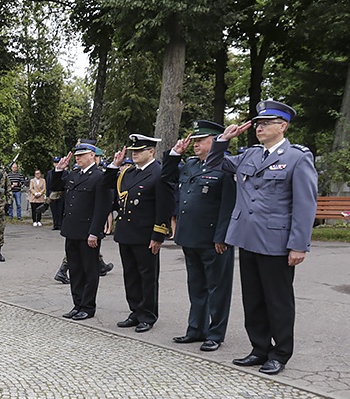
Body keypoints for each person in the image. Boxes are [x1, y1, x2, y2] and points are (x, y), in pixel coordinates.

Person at [207, 100, 318, 375]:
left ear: (283, 126)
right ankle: (259, 348)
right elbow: (214, 163)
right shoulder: (250, 155)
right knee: (253, 297)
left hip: (277, 242)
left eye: (266, 123)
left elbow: (305, 205)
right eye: (258, 123)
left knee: (277, 300)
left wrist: (298, 245)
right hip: (247, 237)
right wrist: (224, 139)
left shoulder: (297, 157)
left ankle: (280, 353)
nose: (259, 127)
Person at [162, 120, 236, 352]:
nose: (195, 144)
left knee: (217, 288)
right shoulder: (191, 165)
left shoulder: (226, 166)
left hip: (213, 238)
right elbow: (167, 177)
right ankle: (196, 329)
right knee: (196, 286)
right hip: (190, 236)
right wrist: (175, 153)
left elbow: (229, 205)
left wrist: (222, 236)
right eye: (193, 140)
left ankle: (215, 333)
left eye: (200, 140)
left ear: (215, 141)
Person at [105, 134, 176, 333]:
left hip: (146, 234)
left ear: (151, 152)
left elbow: (165, 206)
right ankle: (135, 310)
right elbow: (106, 185)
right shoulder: (128, 172)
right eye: (133, 151)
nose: (134, 154)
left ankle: (148, 314)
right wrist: (114, 165)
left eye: (139, 151)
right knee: (131, 275)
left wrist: (158, 235)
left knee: (148, 276)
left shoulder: (158, 173)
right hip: (127, 232)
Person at [51, 142, 114, 320]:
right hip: (71, 230)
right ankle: (77, 304)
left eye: (82, 155)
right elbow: (56, 187)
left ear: (92, 156)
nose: (77, 158)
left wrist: (95, 232)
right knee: (76, 270)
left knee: (90, 270)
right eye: (76, 155)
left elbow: (102, 207)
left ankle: (88, 306)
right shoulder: (73, 174)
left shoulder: (99, 176)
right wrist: (59, 169)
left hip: (88, 232)